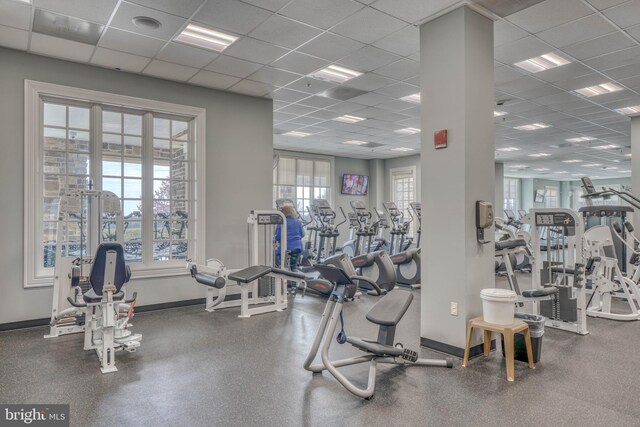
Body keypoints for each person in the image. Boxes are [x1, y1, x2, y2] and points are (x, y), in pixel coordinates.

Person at [275, 205, 305, 289]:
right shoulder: (298, 222)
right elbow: (302, 234)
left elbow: (277, 237)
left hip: (286, 248)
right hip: (296, 247)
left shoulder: (281, 222)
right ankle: (294, 286)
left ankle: (284, 287)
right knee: (293, 267)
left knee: (284, 267)